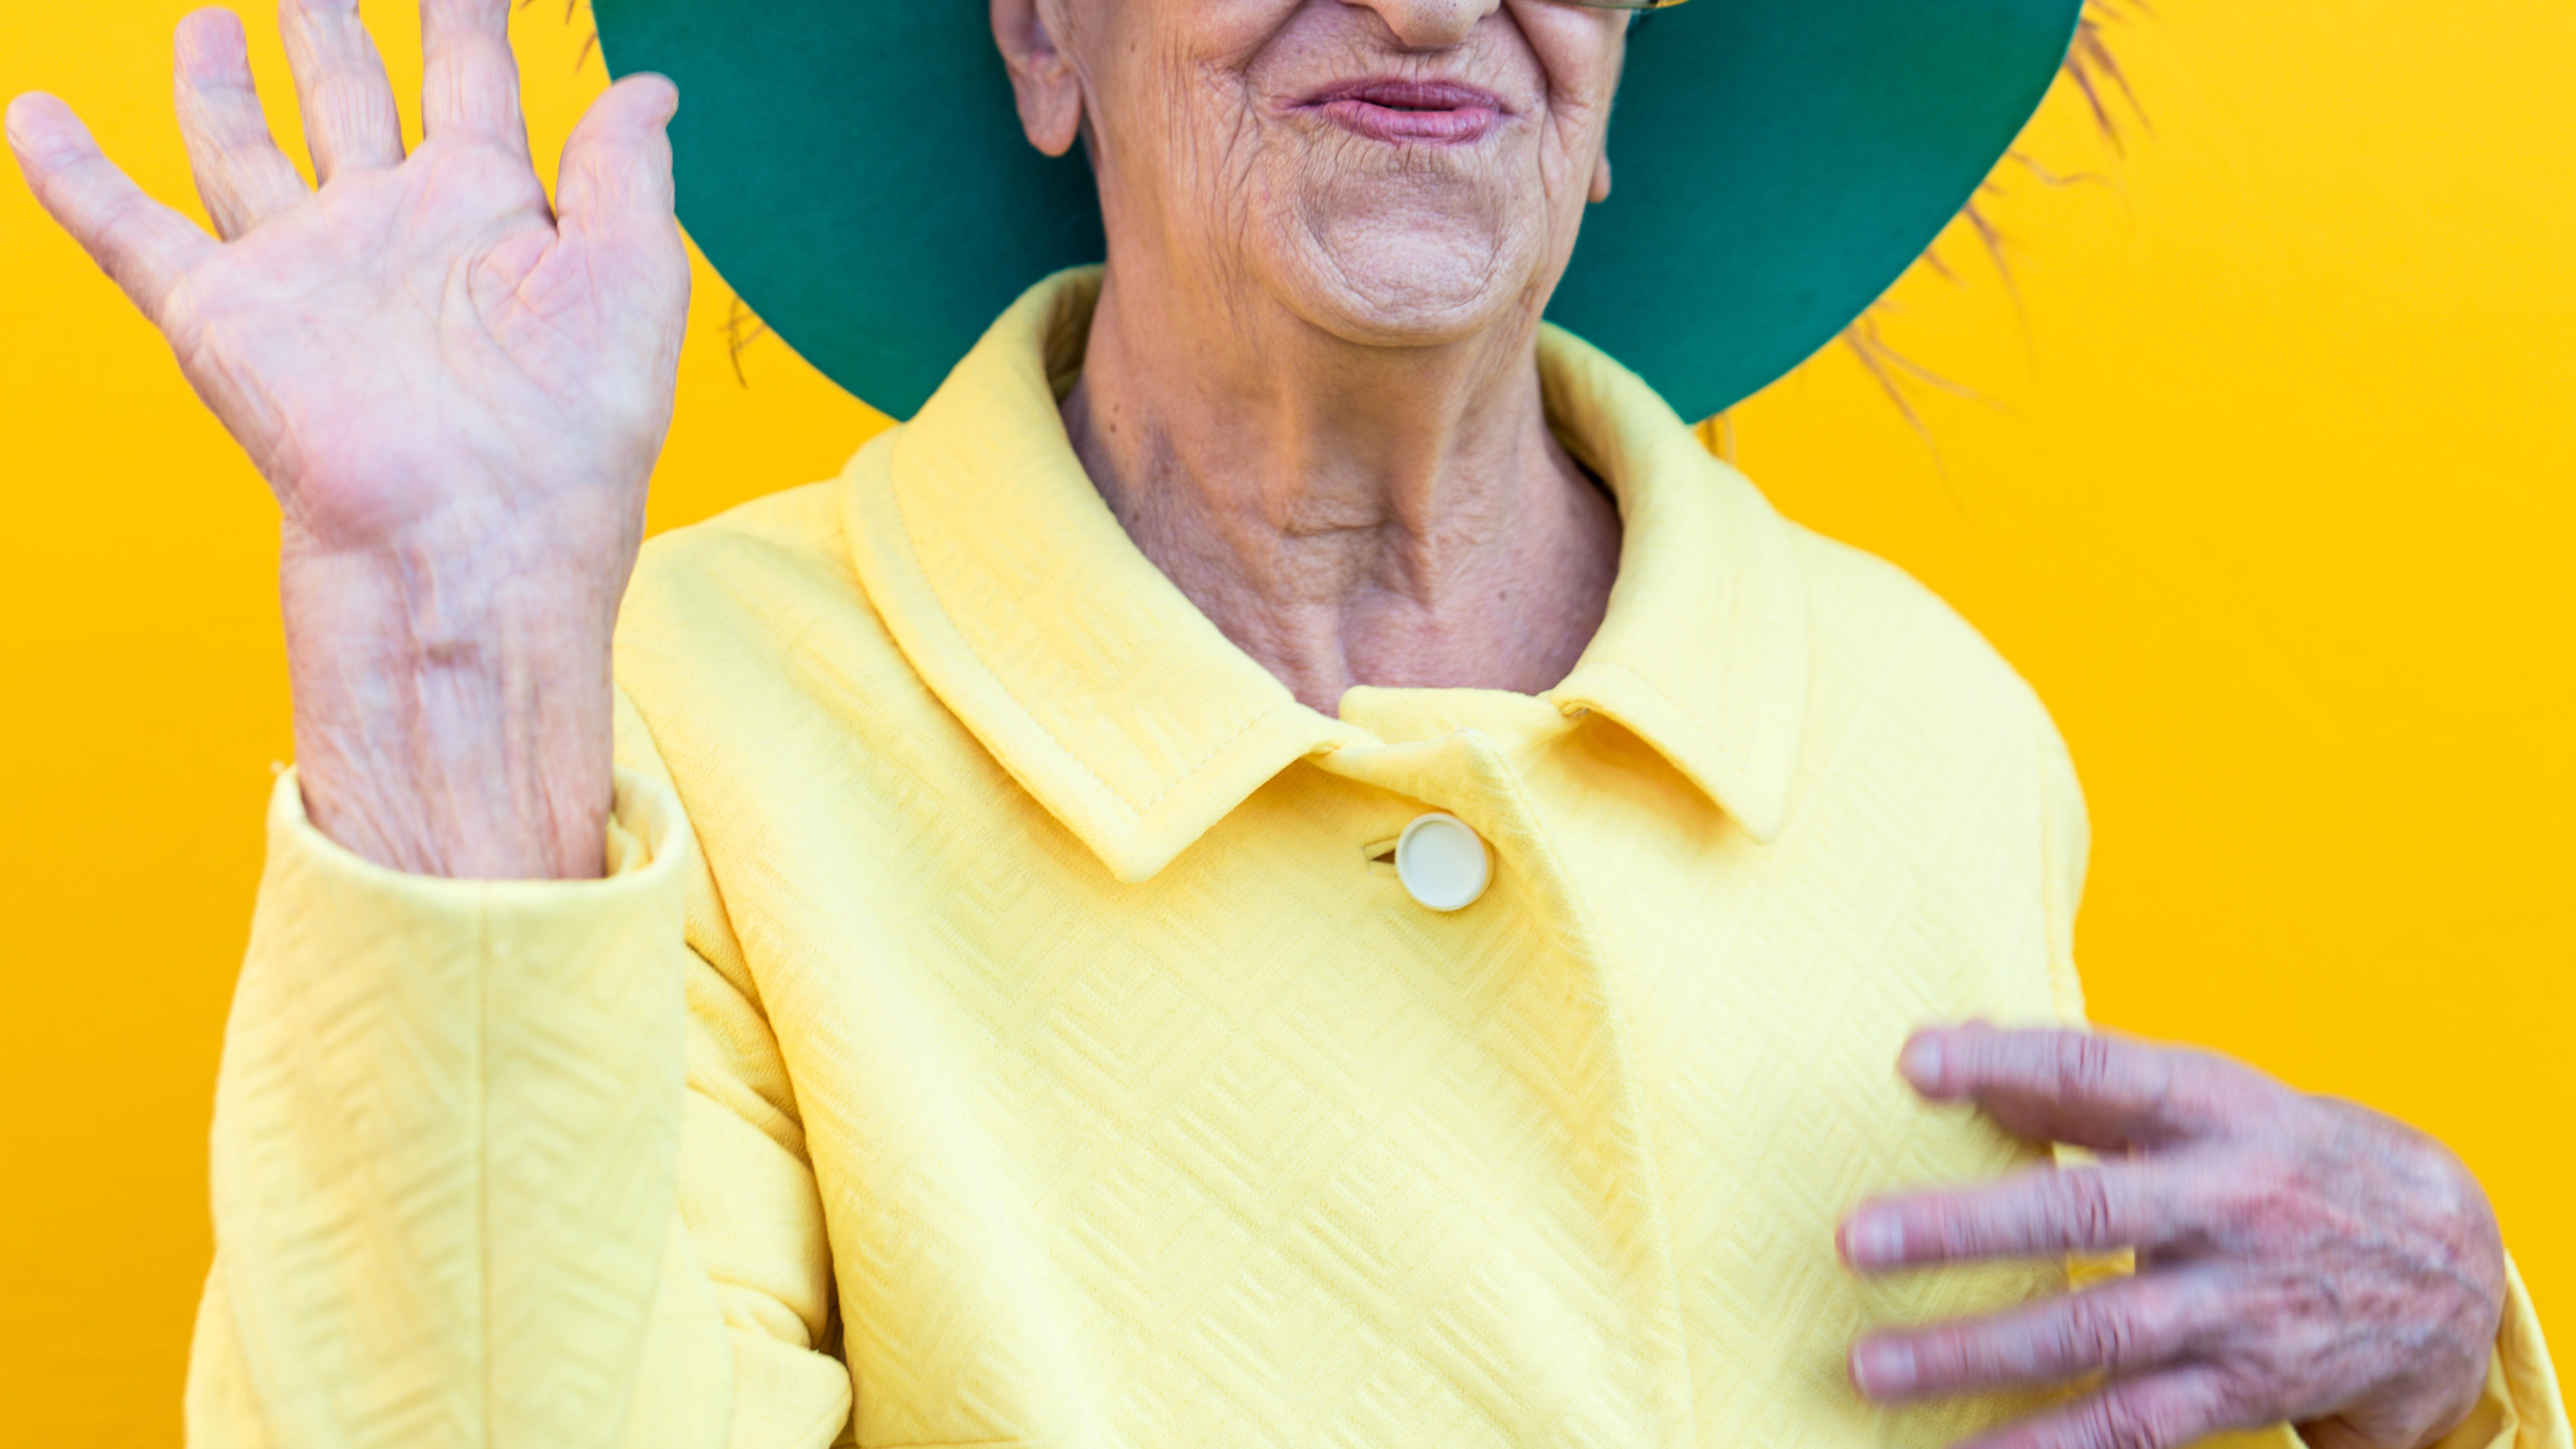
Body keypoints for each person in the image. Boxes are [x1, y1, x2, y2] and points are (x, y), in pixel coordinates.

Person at [5, 0, 2562, 1445]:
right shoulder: (677, 726)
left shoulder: (1926, 725)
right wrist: (445, 645)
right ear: (1036, 26)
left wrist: (2441, 1363)